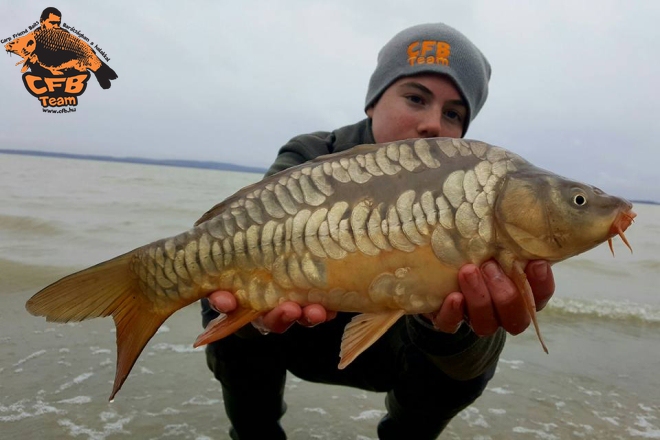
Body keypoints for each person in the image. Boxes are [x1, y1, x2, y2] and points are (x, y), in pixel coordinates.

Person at [200, 23, 555, 439]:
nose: (432, 124)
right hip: (299, 332)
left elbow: (470, 349)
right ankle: (254, 434)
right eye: (416, 98)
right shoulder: (311, 156)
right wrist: (251, 318)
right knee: (222, 295)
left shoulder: (474, 199)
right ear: (372, 103)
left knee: (473, 346)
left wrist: (451, 326)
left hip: (397, 351)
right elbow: (232, 240)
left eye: (453, 113)